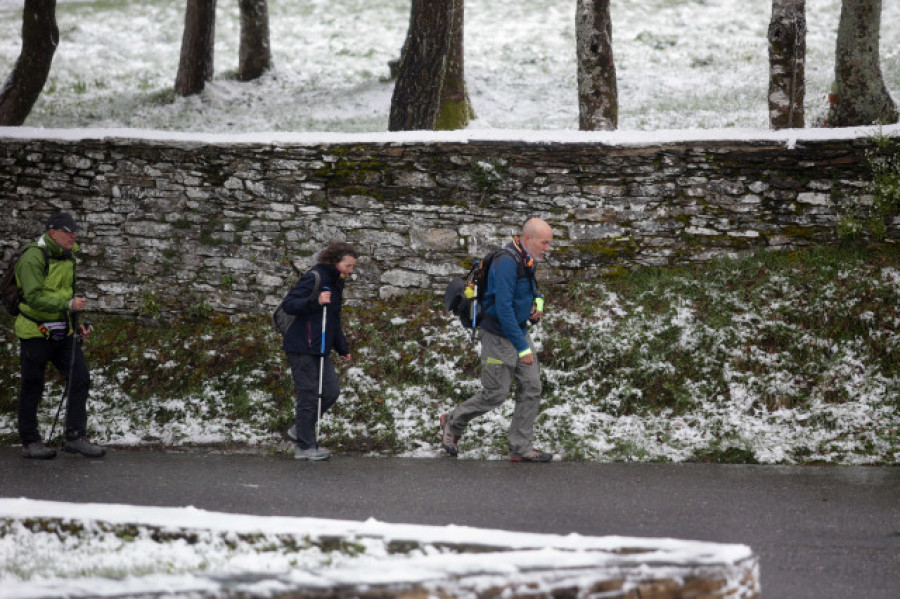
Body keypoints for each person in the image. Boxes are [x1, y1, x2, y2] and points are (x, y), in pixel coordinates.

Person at [441, 218, 555, 462]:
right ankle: (452, 421)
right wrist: (522, 347)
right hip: (497, 336)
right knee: (496, 393)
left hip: (519, 331)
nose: (548, 248)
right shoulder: (506, 262)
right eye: (544, 243)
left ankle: (521, 448)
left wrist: (539, 303)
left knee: (532, 387)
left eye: (549, 243)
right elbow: (503, 309)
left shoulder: (526, 259)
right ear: (528, 239)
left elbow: (532, 290)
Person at [15, 212, 104, 459]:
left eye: (74, 231)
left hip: (63, 331)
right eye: (68, 231)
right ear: (52, 232)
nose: (73, 236)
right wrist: (67, 305)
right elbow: (32, 297)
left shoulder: (69, 255)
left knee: (80, 378)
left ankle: (75, 437)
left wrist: (78, 324)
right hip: (35, 331)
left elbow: (70, 293)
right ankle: (30, 441)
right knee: (33, 385)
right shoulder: (33, 256)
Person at [281, 241, 358, 461]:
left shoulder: (336, 282)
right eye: (348, 265)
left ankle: (300, 429)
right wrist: (315, 301)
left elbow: (332, 318)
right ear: (335, 261)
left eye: (353, 267)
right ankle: (305, 447)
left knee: (331, 391)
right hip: (301, 346)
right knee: (309, 396)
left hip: (320, 347)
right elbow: (290, 304)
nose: (351, 271)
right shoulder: (314, 276)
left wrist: (342, 347)